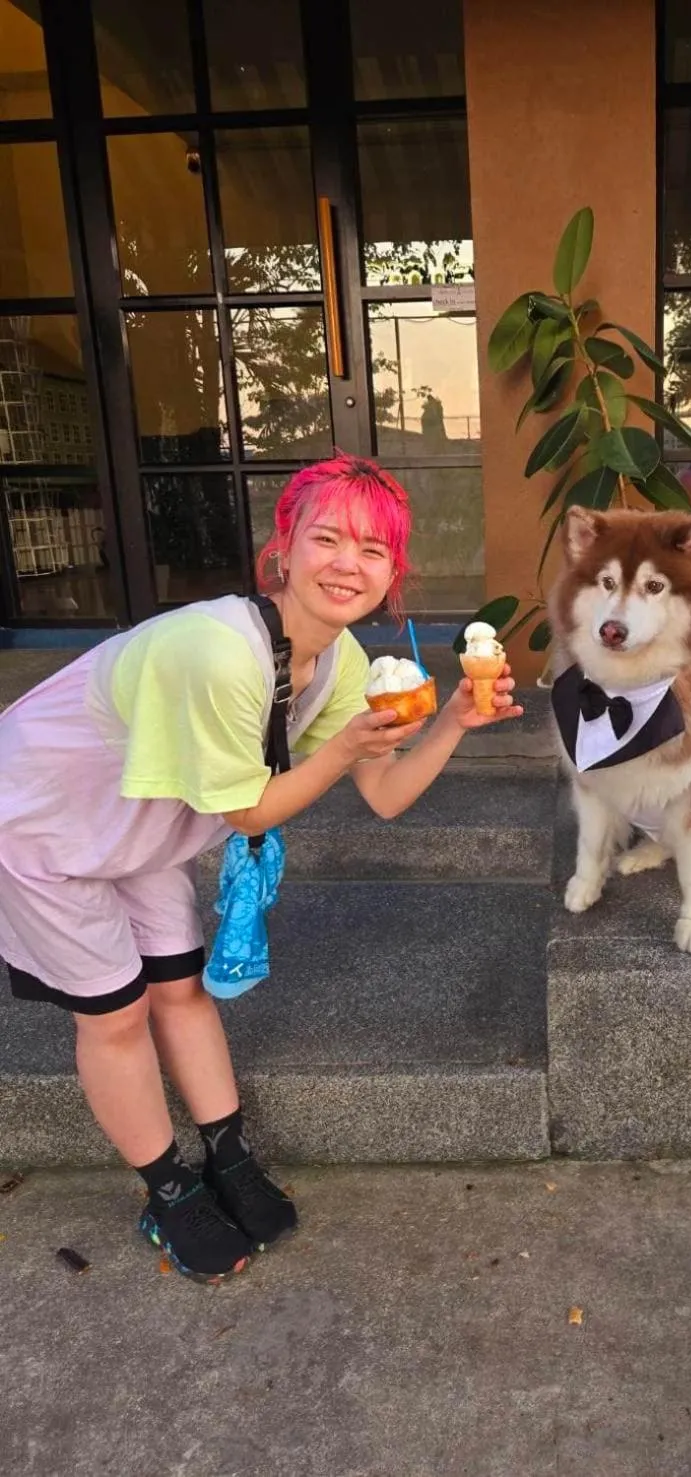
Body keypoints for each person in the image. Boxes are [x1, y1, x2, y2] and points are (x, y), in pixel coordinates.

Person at [0, 454, 522, 1284]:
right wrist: (343, 746)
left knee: (180, 987)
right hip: (44, 819)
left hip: (144, 819)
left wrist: (454, 721)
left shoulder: (341, 659)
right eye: (328, 538)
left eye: (373, 549)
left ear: (393, 572)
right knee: (117, 1013)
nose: (348, 563)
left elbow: (384, 795)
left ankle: (228, 1154)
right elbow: (248, 812)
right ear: (283, 547)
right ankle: (169, 1191)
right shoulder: (217, 650)